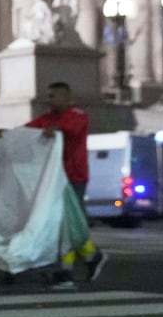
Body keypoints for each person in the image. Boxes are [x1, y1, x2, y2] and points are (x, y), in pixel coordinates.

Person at [25, 81, 106, 281]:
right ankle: (85, 259)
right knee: (63, 224)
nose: (49, 100)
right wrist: (4, 133)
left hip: (73, 177)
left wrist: (54, 129)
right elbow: (26, 131)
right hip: (56, 177)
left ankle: (72, 267)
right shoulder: (48, 119)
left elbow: (70, 130)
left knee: (69, 223)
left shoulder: (77, 115)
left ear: (65, 97)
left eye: (52, 96)